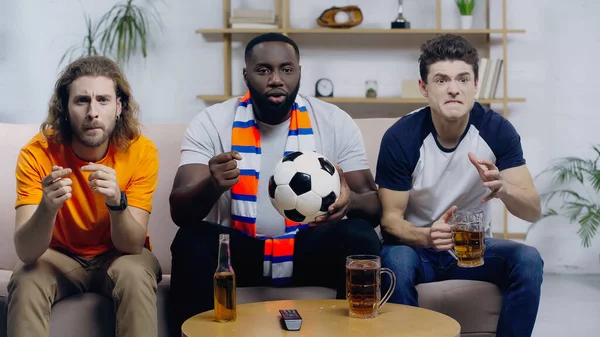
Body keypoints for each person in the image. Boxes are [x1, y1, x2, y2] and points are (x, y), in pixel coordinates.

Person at [168, 32, 382, 330]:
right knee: (191, 242)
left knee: (360, 236)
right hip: (239, 254)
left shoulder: (334, 121)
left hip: (308, 248)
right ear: (247, 75)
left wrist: (350, 202)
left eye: (286, 69)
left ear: (299, 73)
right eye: (264, 70)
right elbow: (180, 212)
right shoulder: (211, 122)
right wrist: (212, 184)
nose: (276, 79)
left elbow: (373, 207)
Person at [376, 34, 544, 337]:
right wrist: (426, 236)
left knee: (528, 259)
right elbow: (390, 222)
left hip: (473, 248)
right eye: (441, 80)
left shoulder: (497, 130)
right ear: (424, 88)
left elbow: (533, 210)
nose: (454, 88)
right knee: (393, 260)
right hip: (417, 248)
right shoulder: (401, 137)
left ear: (476, 85)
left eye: (463, 79)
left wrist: (503, 187)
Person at [7, 56, 162, 337]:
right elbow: (27, 252)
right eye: (81, 101)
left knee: (134, 273)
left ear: (118, 107)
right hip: (60, 258)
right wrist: (47, 207)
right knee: (27, 277)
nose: (93, 112)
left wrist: (117, 203)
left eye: (103, 100)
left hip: (121, 256)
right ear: (65, 108)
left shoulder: (141, 151)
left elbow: (132, 245)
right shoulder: (37, 153)